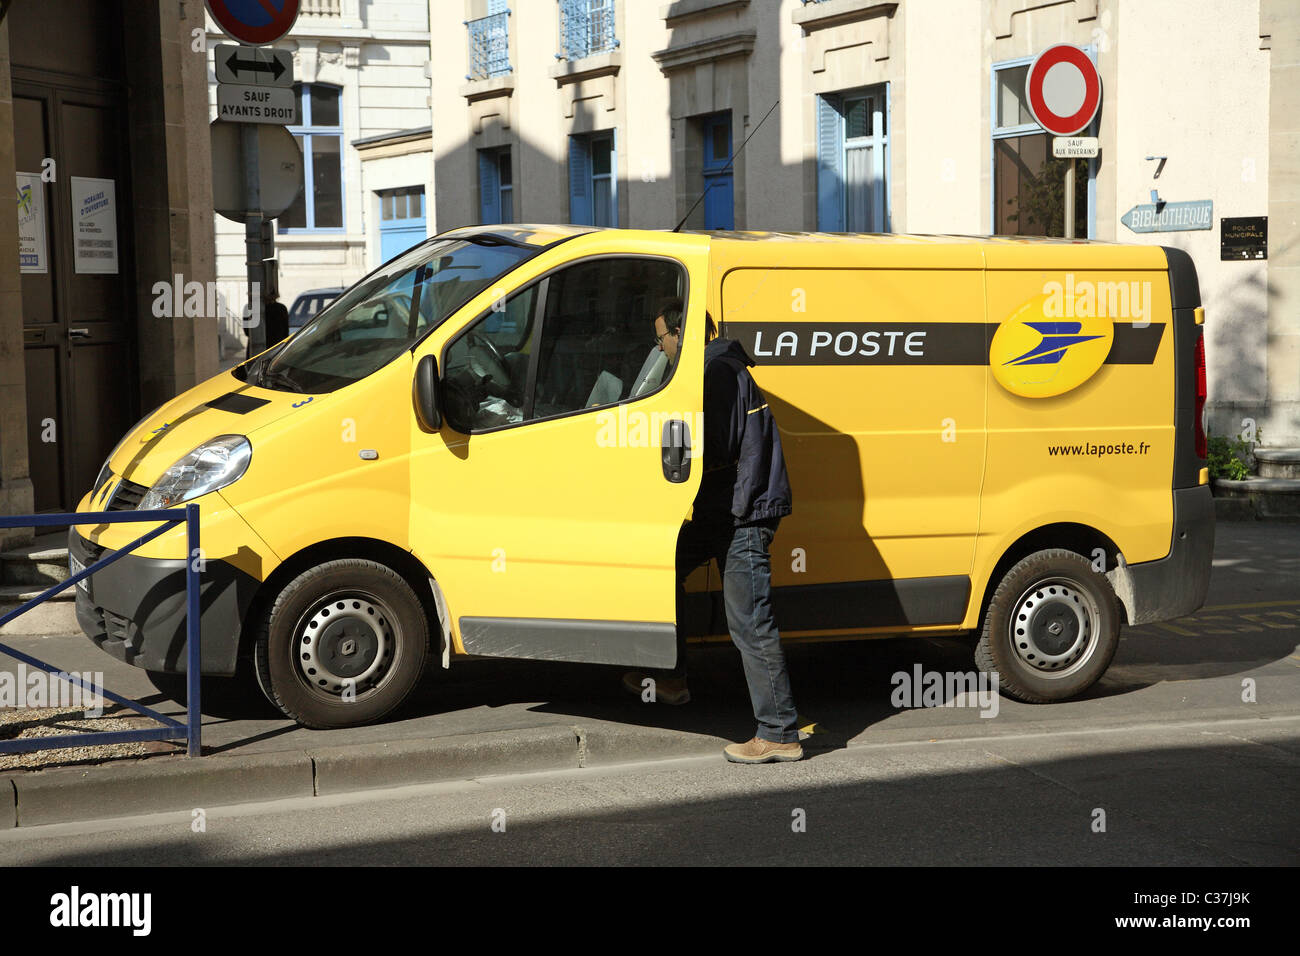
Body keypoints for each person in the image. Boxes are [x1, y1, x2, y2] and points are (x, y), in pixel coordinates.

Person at [624, 297, 803, 763]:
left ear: (680, 335)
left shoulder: (716, 371)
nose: (660, 348)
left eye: (661, 338)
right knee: (665, 571)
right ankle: (672, 677)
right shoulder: (718, 365)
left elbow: (714, 450)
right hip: (727, 511)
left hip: (743, 516)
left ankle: (779, 732)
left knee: (751, 623)